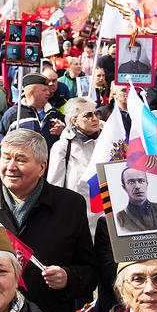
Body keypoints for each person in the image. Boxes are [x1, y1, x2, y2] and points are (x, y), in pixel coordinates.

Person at [0, 129, 96, 312]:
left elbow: (90, 272)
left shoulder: (70, 205)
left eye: (20, 160)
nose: (11, 167)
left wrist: (67, 277)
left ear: (41, 167)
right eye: (6, 158)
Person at [46, 97, 102, 233]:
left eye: (96, 113)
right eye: (88, 115)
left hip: (106, 219)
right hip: (78, 220)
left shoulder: (107, 141)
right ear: (74, 121)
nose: (94, 118)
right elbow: (54, 188)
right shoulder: (63, 147)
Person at [0, 73, 65, 149]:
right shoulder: (13, 114)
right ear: (32, 93)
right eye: (44, 90)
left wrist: (62, 131)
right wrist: (10, 146)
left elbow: (70, 134)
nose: (48, 93)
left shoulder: (55, 113)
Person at [114, 166, 157, 233]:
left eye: (141, 181)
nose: (137, 186)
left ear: (147, 184)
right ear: (124, 187)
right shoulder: (119, 219)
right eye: (131, 182)